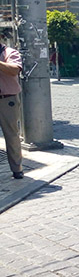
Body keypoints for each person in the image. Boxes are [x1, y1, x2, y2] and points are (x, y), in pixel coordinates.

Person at [0, 33, 24, 179]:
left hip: (6, 99)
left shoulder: (9, 52)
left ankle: (17, 169)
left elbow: (15, 69)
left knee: (11, 135)